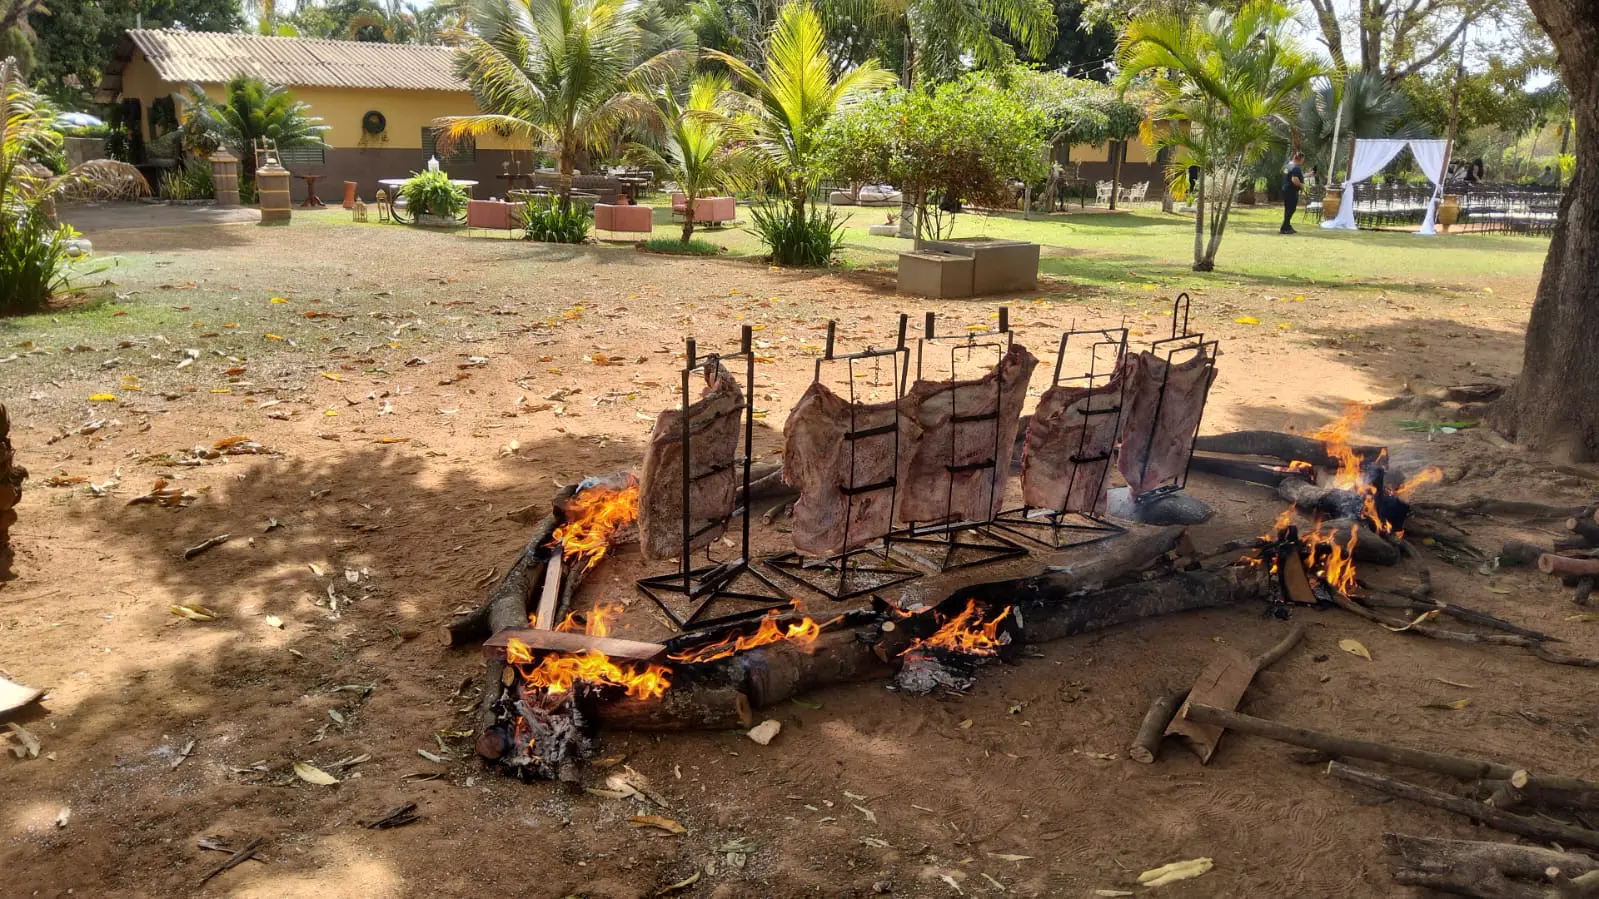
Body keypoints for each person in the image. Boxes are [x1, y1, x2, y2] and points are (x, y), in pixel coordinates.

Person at [1280, 151, 1304, 234]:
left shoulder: (1287, 166)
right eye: (1302, 160)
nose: (1302, 162)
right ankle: (1284, 227)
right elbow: (1294, 179)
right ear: (1300, 159)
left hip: (1285, 189)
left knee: (1288, 209)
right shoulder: (1296, 167)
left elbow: (1289, 176)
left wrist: (1307, 175)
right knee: (1291, 209)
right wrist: (1301, 185)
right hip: (1292, 190)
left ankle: (1287, 226)